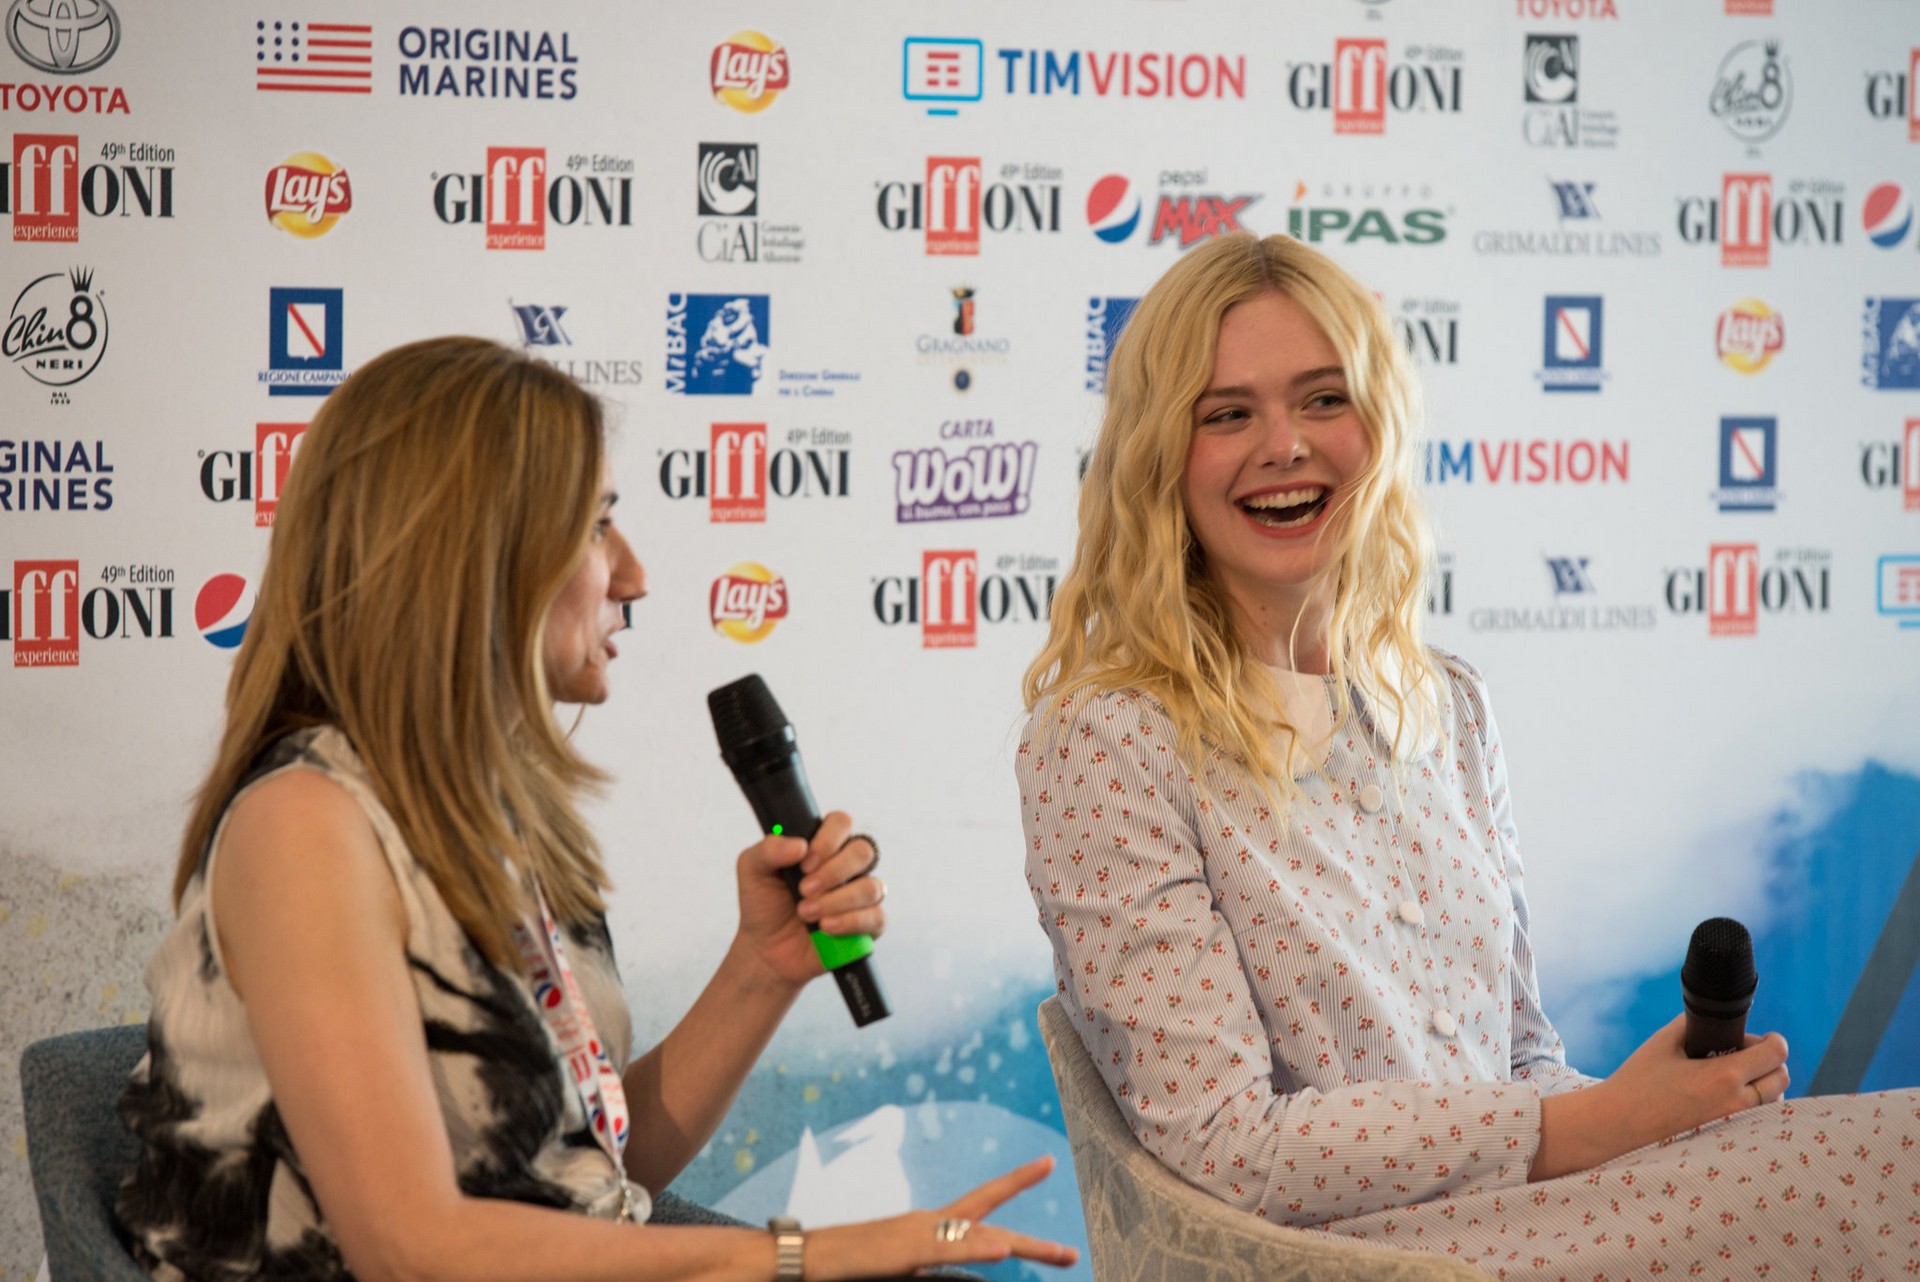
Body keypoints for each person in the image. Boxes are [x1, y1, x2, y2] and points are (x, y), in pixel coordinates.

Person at [1016, 233, 1919, 1278]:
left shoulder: (1447, 704)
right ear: (1160, 455)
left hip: (1536, 1218)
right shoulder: (1105, 740)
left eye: (1322, 399)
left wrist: (1651, 1116)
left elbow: (1525, 1057)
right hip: (1348, 1256)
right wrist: (1597, 1126)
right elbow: (1223, 1143)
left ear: (1380, 427)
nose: (1285, 445)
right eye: (1228, 414)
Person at [118, 337, 1078, 1282]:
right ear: (472, 554)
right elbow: (409, 1248)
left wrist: (764, 968)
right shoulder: (305, 825)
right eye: (595, 525)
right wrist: (799, 1255)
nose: (634, 575)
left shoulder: (486, 821)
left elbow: (596, 1171)